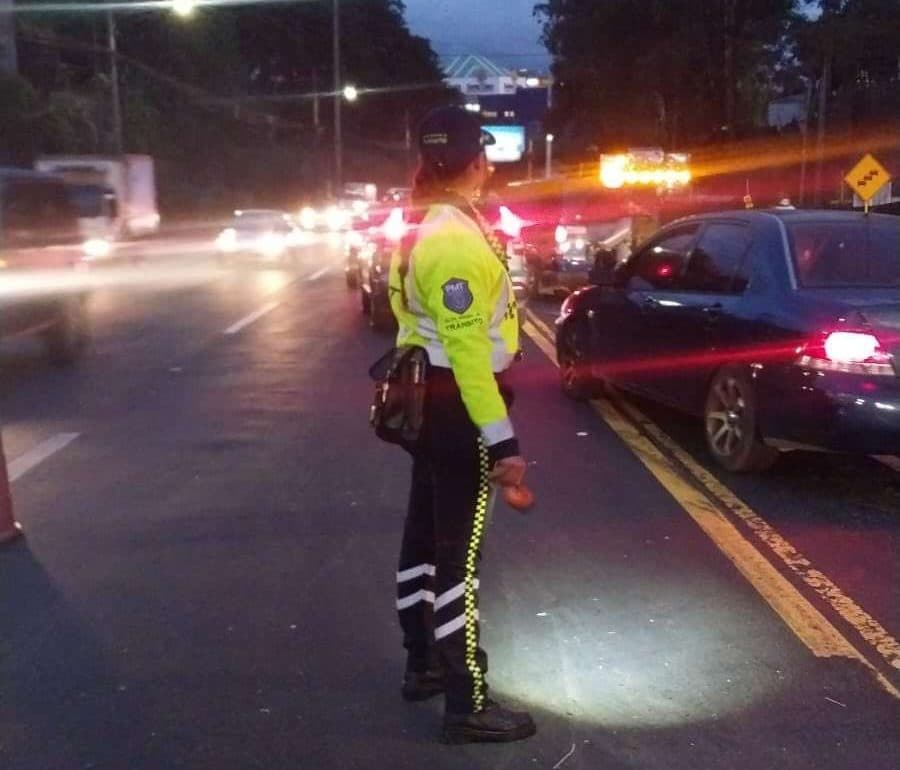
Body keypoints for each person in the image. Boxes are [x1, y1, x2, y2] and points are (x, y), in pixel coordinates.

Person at [388, 105, 536, 744]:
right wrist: (502, 438)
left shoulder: (428, 223)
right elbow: (468, 347)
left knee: (423, 538)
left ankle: (421, 663)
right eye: (486, 155)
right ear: (477, 161)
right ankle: (466, 697)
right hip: (458, 410)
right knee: (458, 557)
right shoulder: (451, 238)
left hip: (430, 404)